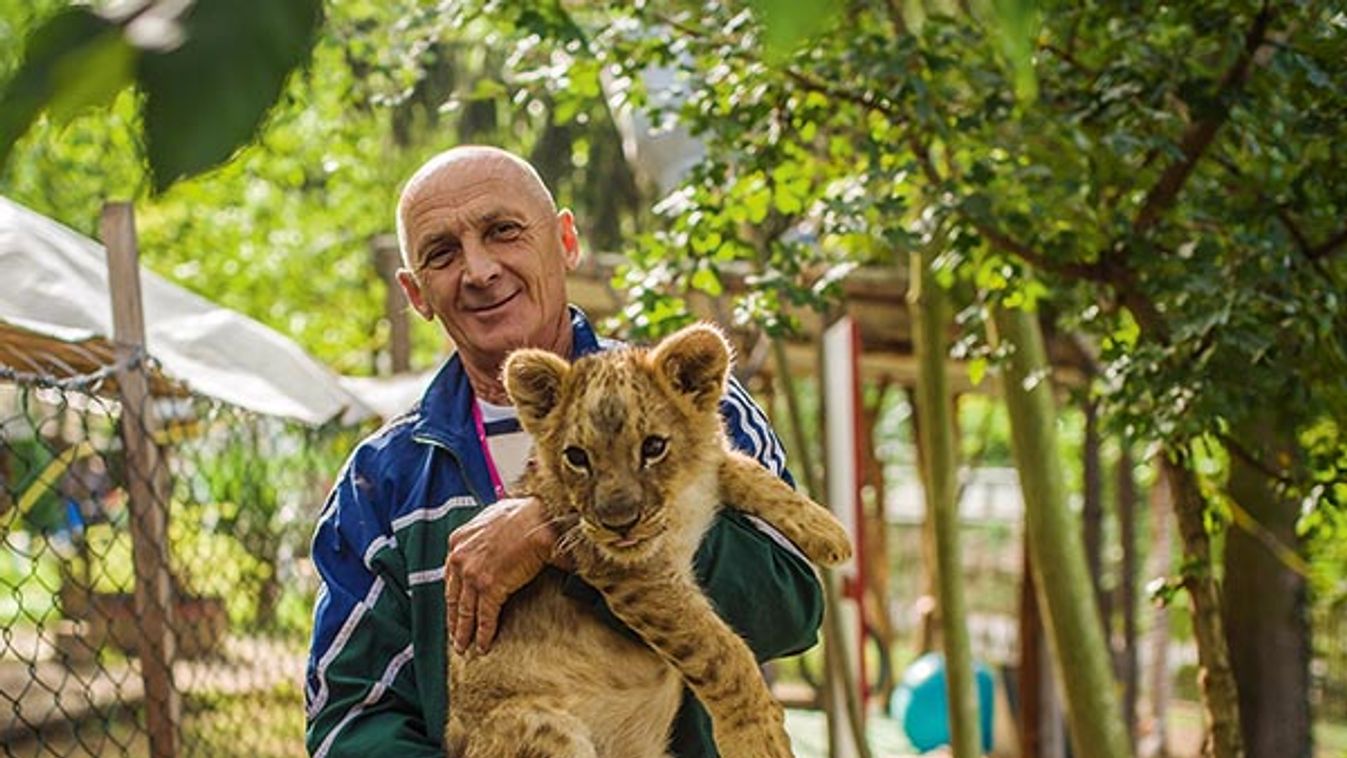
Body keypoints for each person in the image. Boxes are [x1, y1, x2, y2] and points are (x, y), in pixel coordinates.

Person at [304, 146, 824, 757]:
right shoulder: (384, 479)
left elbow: (791, 606)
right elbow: (351, 720)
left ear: (565, 241)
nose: (479, 270)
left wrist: (559, 534)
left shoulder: (685, 396)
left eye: (504, 231)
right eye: (442, 253)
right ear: (417, 294)